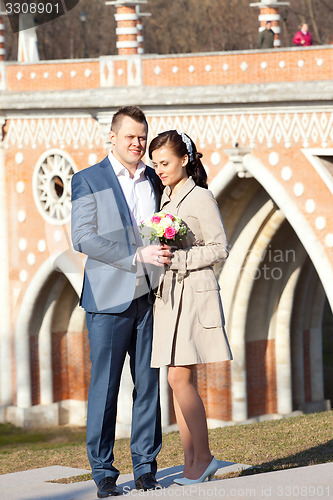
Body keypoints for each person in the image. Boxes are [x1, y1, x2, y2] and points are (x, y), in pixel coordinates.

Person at [71, 106, 172, 498]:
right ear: (111, 137)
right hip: (108, 301)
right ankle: (103, 474)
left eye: (143, 137)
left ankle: (146, 468)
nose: (138, 143)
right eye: (130, 136)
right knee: (106, 388)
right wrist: (134, 257)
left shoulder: (154, 180)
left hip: (150, 297)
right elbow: (82, 237)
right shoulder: (87, 180)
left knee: (149, 386)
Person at [148, 130, 233, 485]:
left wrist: (180, 259)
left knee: (177, 377)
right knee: (177, 380)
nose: (159, 170)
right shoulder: (166, 199)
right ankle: (191, 463)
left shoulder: (200, 198)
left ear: (185, 160)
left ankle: (205, 458)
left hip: (194, 297)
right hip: (170, 298)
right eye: (155, 164)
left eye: (164, 163)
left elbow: (219, 248)